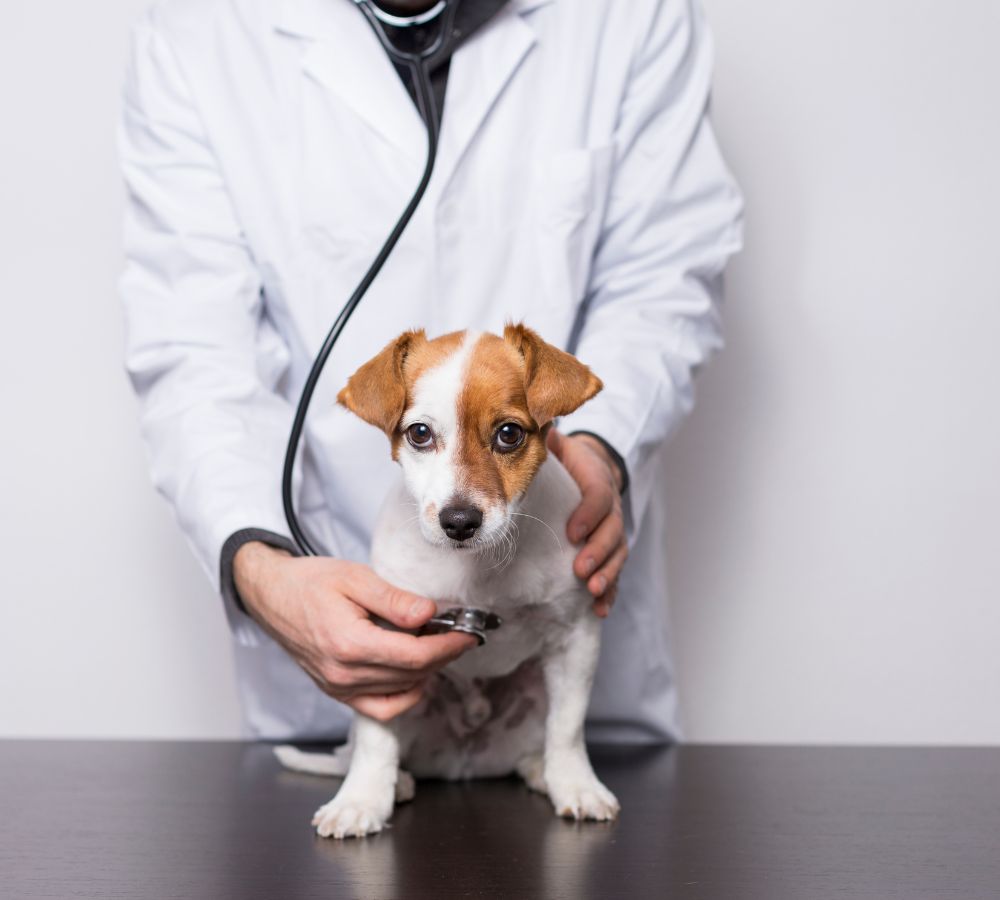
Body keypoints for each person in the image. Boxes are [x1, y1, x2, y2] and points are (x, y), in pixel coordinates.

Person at [120, 0, 743, 743]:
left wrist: (602, 448)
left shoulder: (630, 14)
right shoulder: (200, 28)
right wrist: (260, 568)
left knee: (590, 845)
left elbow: (664, 279)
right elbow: (194, 348)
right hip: (338, 649)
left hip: (559, 655)